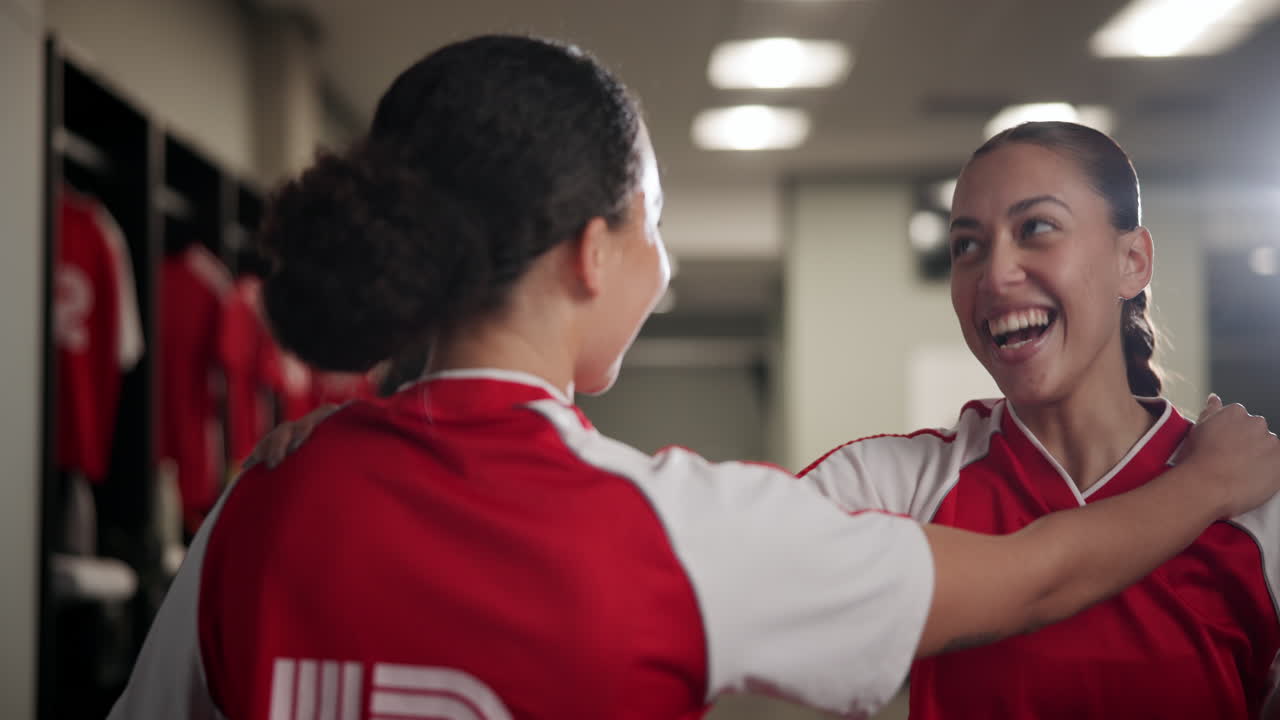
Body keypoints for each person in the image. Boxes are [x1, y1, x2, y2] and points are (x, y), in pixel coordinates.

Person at [107, 38, 1280, 720]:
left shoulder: (263, 493)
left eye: (1034, 230)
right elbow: (1030, 581)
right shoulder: (678, 529)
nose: (661, 266)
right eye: (652, 225)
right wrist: (1208, 482)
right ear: (588, 252)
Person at [800, 122, 1280, 718]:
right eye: (967, 246)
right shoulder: (893, 487)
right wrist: (1204, 487)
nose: (995, 275)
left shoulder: (1261, 513)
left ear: (1132, 261)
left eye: (1037, 229)